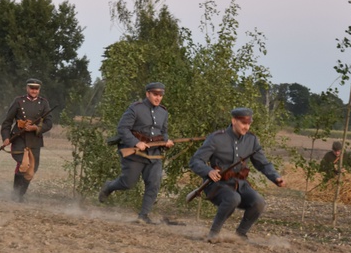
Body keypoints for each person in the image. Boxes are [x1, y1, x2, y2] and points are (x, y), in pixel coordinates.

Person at [189, 107, 285, 243]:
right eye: (243, 123)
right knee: (233, 198)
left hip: (240, 184)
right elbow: (195, 161)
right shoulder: (216, 138)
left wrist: (275, 177)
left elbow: (262, 163)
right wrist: (208, 171)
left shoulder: (252, 140)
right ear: (234, 120)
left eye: (249, 123)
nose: (247, 127)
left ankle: (240, 234)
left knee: (259, 202)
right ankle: (213, 233)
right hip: (217, 185)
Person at [98, 82, 178, 225]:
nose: (158, 98)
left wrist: (167, 141)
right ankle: (109, 186)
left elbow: (163, 132)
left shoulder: (163, 112)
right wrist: (136, 142)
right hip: (135, 153)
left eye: (160, 95)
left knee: (154, 183)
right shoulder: (135, 108)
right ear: (147, 94)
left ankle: (143, 216)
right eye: (155, 94)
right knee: (127, 183)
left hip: (154, 154)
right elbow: (123, 129)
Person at [0, 78, 54, 202]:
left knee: (32, 169)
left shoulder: (44, 103)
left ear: (39, 90)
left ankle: (20, 195)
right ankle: (16, 195)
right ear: (27, 88)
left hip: (35, 140)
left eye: (36, 88)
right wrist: (6, 137)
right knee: (24, 165)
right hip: (19, 138)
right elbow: (7, 121)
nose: (34, 91)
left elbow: (49, 123)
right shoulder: (18, 101)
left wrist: (35, 127)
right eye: (31, 88)